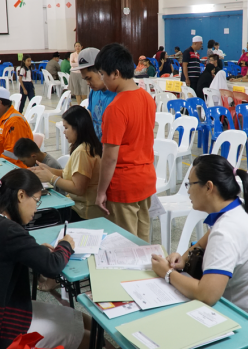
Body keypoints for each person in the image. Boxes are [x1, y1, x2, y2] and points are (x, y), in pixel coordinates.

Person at [151, 154, 248, 334]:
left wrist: (167, 273)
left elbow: (207, 295)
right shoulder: (238, 206)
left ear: (208, 187)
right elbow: (209, 235)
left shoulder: (226, 231)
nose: (188, 191)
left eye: (190, 184)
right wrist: (183, 258)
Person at [0, 169, 91, 349]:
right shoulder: (9, 230)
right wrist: (66, 244)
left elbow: (6, 253)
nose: (37, 208)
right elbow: (53, 266)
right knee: (87, 337)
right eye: (36, 201)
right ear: (21, 195)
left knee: (83, 319)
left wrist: (35, 251)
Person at [94, 43, 156, 242]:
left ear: (116, 73)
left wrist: (101, 191)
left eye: (103, 74)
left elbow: (110, 157)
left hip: (124, 185)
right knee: (142, 241)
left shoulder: (115, 108)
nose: (102, 79)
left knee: (126, 245)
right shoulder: (147, 98)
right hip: (146, 179)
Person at [30, 106, 104, 221]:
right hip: (79, 206)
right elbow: (70, 174)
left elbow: (79, 188)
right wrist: (48, 170)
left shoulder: (83, 151)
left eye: (66, 127)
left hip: (83, 212)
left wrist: (51, 178)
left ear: (78, 127)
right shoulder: (85, 146)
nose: (63, 132)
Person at [73, 47, 117, 140]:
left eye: (89, 78)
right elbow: (91, 114)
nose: (88, 83)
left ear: (101, 71)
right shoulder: (94, 92)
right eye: (85, 79)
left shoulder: (117, 95)